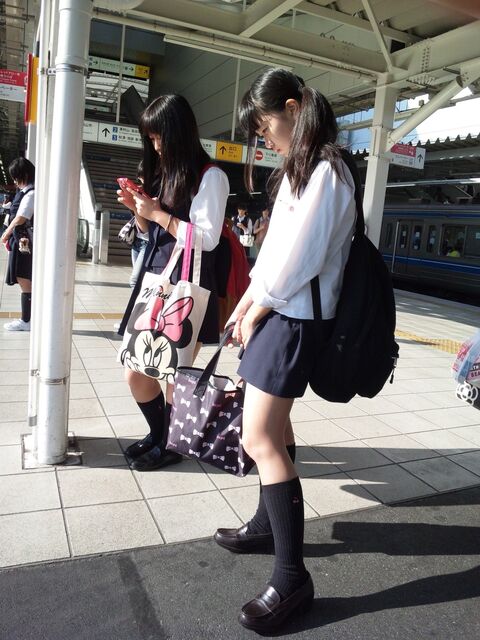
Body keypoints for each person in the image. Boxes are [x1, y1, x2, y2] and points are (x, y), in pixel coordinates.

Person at [213, 69, 356, 632]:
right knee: (276, 429)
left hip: (294, 319)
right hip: (281, 312)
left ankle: (292, 579)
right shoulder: (305, 169)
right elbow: (274, 253)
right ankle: (266, 525)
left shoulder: (327, 171)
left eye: (265, 125)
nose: (264, 138)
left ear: (294, 109)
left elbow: (299, 259)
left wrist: (256, 308)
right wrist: (248, 304)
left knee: (259, 437)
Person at [117, 94, 229, 472]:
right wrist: (139, 211)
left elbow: (207, 239)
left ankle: (169, 444)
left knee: (173, 374)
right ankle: (159, 435)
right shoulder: (165, 174)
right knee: (136, 370)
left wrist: (156, 214)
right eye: (150, 139)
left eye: (158, 136)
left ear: (177, 131)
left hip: (188, 287)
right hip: (158, 281)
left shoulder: (210, 176)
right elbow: (152, 235)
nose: (155, 145)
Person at [1, 158, 35, 332]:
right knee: (24, 278)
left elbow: (21, 217)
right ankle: (28, 319)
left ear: (25, 175)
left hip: (24, 242)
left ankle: (27, 320)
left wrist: (6, 233)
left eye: (16, 177)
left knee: (24, 278)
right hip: (22, 241)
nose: (15, 181)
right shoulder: (26, 192)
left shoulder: (31, 193)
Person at [129, 160, 149, 288]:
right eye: (140, 177)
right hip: (137, 240)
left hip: (147, 241)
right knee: (139, 282)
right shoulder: (141, 191)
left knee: (135, 281)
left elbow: (146, 228)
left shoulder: (154, 195)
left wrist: (136, 206)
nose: (141, 180)